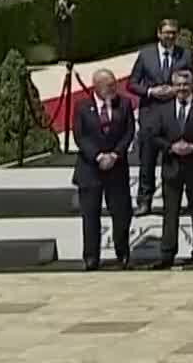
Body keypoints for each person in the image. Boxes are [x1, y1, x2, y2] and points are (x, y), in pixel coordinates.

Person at [128, 17, 193, 215]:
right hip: (151, 114)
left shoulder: (185, 55)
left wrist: (179, 90)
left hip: (175, 115)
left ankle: (180, 199)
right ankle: (144, 200)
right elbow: (132, 84)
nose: (170, 36)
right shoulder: (145, 55)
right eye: (166, 32)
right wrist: (151, 91)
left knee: (178, 160)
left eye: (173, 33)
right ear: (159, 34)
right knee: (147, 160)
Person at [150, 68, 193, 270]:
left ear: (192, 85)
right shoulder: (163, 109)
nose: (182, 88)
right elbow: (155, 136)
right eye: (178, 84)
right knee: (170, 212)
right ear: (173, 86)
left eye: (186, 84)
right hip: (172, 166)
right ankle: (167, 253)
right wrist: (171, 147)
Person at [73, 69, 134, 271]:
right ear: (96, 87)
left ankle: (122, 253)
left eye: (114, 84)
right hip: (90, 169)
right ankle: (91, 257)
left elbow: (129, 132)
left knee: (121, 213)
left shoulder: (124, 104)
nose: (113, 88)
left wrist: (115, 155)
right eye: (109, 85)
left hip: (116, 168)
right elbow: (80, 137)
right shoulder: (82, 107)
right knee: (90, 216)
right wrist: (98, 156)